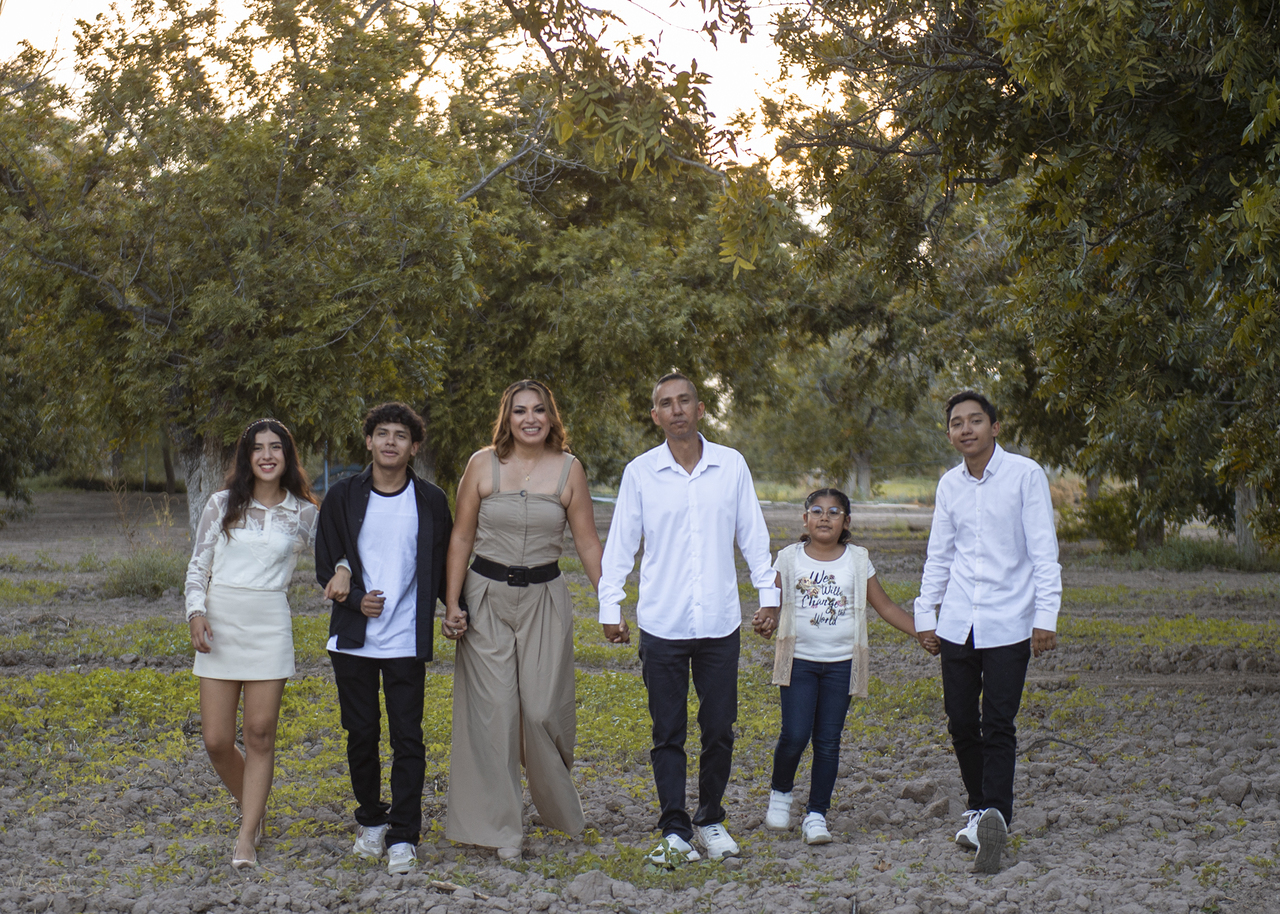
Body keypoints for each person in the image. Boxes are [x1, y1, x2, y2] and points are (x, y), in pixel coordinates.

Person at [596, 372, 780, 865]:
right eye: (665, 404)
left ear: (700, 410)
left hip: (720, 624)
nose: (676, 409)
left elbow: (753, 537)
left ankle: (712, 819)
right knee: (668, 731)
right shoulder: (640, 473)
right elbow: (621, 547)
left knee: (720, 727)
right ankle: (675, 826)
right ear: (655, 416)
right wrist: (610, 607)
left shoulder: (731, 466)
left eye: (685, 401)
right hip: (663, 625)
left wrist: (769, 595)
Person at [441, 380, 604, 859]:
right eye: (519, 411)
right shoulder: (481, 464)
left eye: (539, 410)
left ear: (551, 417)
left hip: (545, 599)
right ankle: (500, 829)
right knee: (493, 715)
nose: (529, 418)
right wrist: (451, 603)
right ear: (506, 418)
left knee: (540, 710)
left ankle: (556, 807)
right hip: (485, 598)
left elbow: (588, 542)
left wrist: (610, 604)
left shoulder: (569, 470)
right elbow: (460, 538)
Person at [185, 418, 350, 870]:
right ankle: (255, 806)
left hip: (269, 624)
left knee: (259, 734)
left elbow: (337, 550)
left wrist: (343, 569)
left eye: (275, 447)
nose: (266, 455)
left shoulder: (302, 512)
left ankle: (246, 835)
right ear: (247, 457)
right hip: (220, 622)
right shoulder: (221, 505)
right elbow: (198, 565)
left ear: (287, 456)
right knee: (217, 740)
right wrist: (195, 612)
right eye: (258, 448)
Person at [914, 391, 1061, 874]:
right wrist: (925, 615)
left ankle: (995, 813)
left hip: (1009, 622)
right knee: (960, 720)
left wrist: (1046, 615)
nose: (966, 429)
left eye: (976, 420)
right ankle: (978, 806)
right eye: (957, 422)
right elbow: (940, 554)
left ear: (995, 427)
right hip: (958, 622)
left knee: (998, 723)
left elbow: (1043, 549)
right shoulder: (949, 485)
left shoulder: (1025, 475)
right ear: (951, 433)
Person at [315, 402, 454, 875]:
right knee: (361, 734)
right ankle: (371, 821)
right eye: (382, 433)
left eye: (401, 435)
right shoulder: (342, 497)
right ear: (369, 441)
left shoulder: (431, 500)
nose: (390, 441)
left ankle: (403, 836)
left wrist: (455, 607)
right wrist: (355, 600)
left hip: (404, 640)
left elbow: (441, 566)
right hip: (353, 639)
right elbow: (327, 562)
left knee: (407, 737)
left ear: (414, 447)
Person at [752, 488, 932, 845]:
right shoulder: (788, 559)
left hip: (841, 666)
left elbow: (885, 606)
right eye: (816, 511)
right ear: (804, 519)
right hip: (799, 663)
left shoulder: (857, 560)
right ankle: (781, 795)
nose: (824, 517)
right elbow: (771, 602)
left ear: (846, 522)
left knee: (828, 742)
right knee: (794, 735)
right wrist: (766, 616)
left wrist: (922, 631)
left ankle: (817, 814)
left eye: (834, 512)